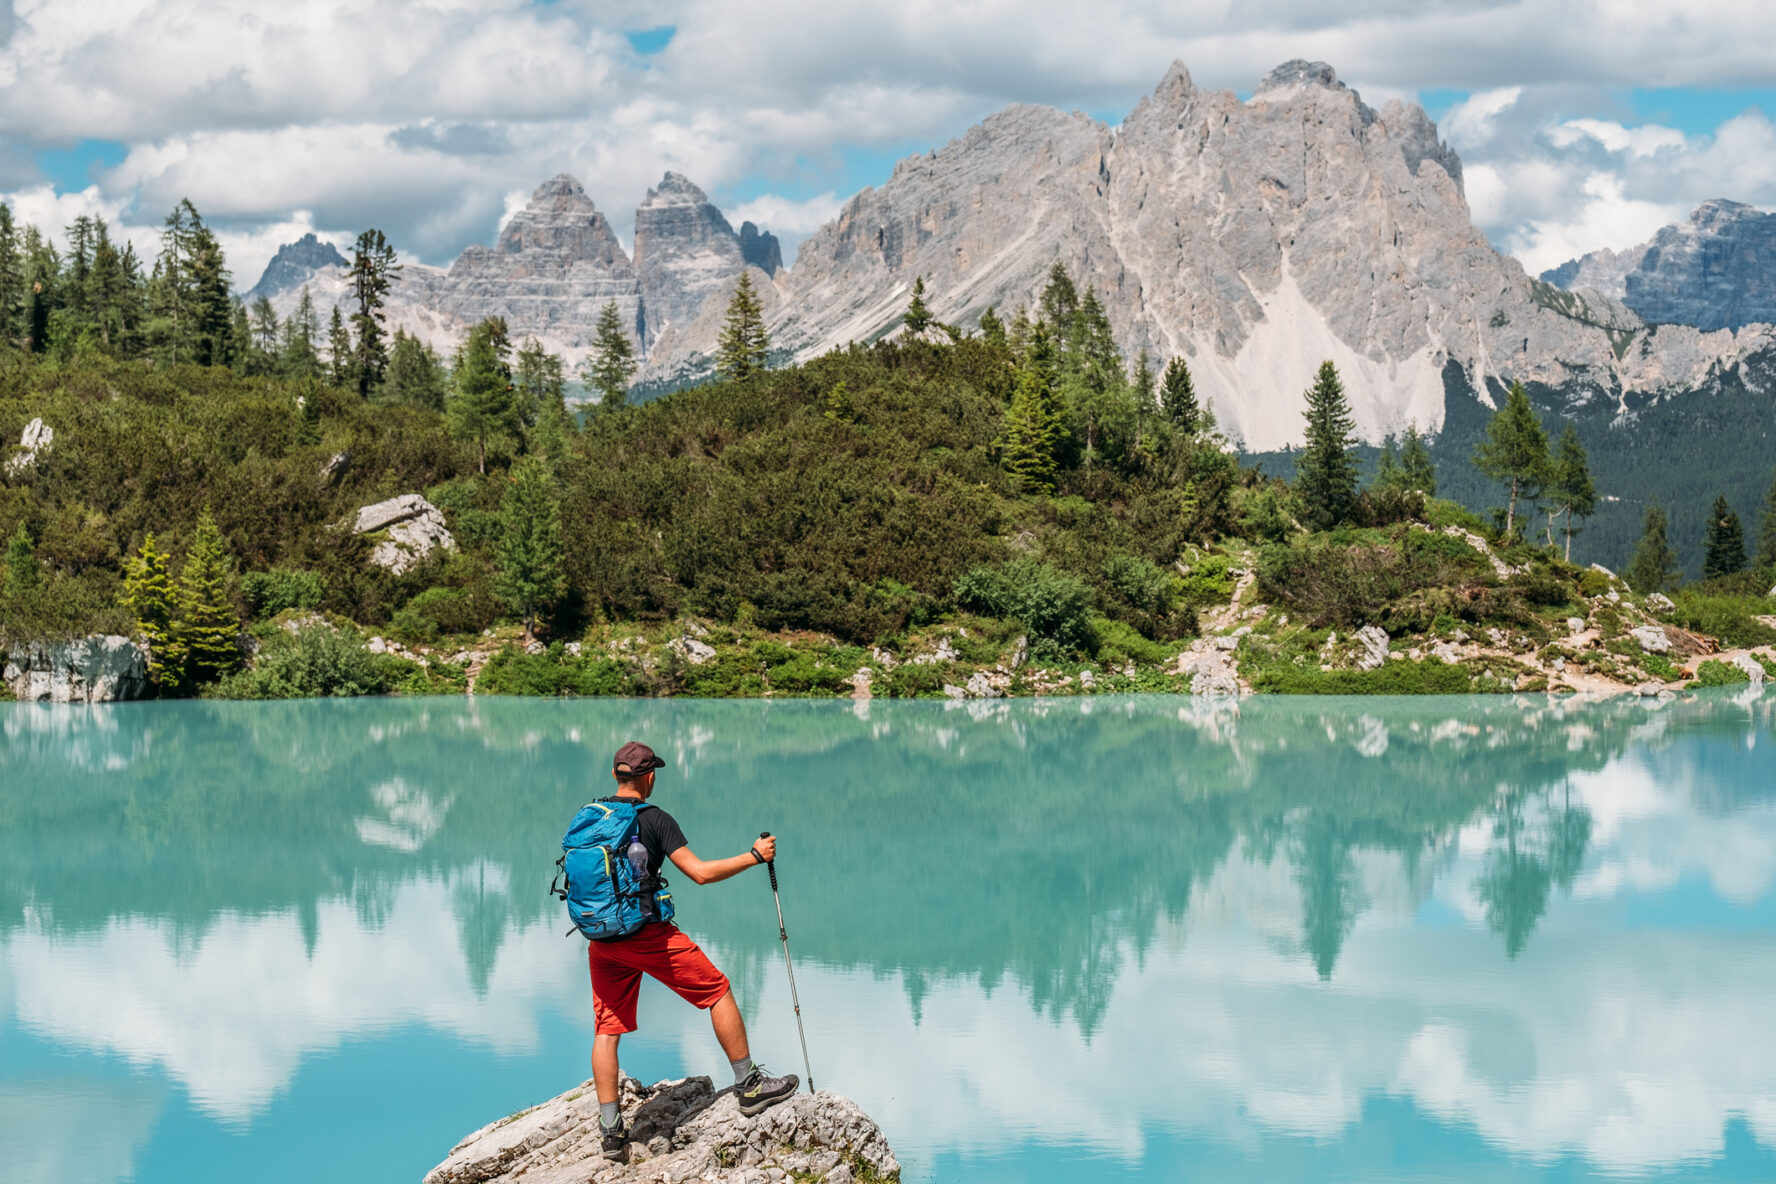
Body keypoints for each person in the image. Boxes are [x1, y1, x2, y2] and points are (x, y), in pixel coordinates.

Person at [586, 741, 798, 1161]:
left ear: (615, 775)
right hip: (646, 936)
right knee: (717, 990)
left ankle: (611, 1132)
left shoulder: (590, 816)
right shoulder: (655, 818)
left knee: (607, 1029)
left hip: (601, 939)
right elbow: (699, 874)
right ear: (649, 777)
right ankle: (750, 1086)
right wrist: (754, 856)